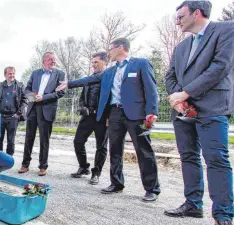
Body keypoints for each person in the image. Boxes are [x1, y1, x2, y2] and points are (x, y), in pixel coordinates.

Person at [56, 38, 160, 202]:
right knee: (115, 149)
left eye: (110, 49)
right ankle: (116, 183)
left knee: (144, 150)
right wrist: (69, 84)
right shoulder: (110, 71)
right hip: (115, 114)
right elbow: (89, 80)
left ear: (120, 48)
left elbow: (151, 89)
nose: (108, 52)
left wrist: (151, 112)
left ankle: (152, 188)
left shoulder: (140, 64)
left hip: (136, 114)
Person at [164, 1, 234, 225]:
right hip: (183, 111)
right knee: (189, 157)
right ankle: (193, 204)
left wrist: (186, 93)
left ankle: (224, 216)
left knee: (216, 159)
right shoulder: (182, 46)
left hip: (212, 107)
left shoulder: (226, 30)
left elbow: (220, 67)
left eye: (181, 16)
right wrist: (177, 100)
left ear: (197, 13)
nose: (177, 21)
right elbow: (170, 74)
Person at [19, 51, 65, 176]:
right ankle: (25, 165)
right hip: (33, 107)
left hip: (47, 108)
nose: (53, 61)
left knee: (44, 139)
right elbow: (27, 89)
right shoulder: (35, 73)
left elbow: (60, 93)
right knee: (29, 138)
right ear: (43, 61)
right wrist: (32, 96)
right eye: (50, 59)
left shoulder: (60, 74)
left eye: (54, 59)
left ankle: (43, 166)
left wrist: (43, 97)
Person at [70, 52, 109, 185]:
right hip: (87, 117)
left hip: (102, 117)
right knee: (78, 142)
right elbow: (82, 96)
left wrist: (109, 116)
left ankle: (96, 173)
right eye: (92, 62)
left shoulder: (107, 78)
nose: (93, 65)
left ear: (105, 62)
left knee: (101, 147)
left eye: (96, 62)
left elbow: (110, 98)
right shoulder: (89, 79)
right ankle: (83, 167)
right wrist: (82, 107)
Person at [0, 66, 27, 155]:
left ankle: (9, 159)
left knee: (11, 140)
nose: (12, 75)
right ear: (5, 75)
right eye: (9, 74)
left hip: (13, 117)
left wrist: (19, 113)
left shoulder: (19, 86)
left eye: (13, 73)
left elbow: (24, 100)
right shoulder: (1, 86)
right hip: (0, 117)